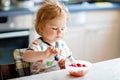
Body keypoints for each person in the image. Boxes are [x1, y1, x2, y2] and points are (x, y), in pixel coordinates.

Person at [23, 0, 74, 74]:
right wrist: (44, 54)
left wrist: (66, 64)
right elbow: (26, 57)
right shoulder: (37, 45)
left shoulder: (62, 45)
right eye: (54, 28)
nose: (60, 32)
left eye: (62, 28)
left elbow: (72, 62)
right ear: (41, 28)